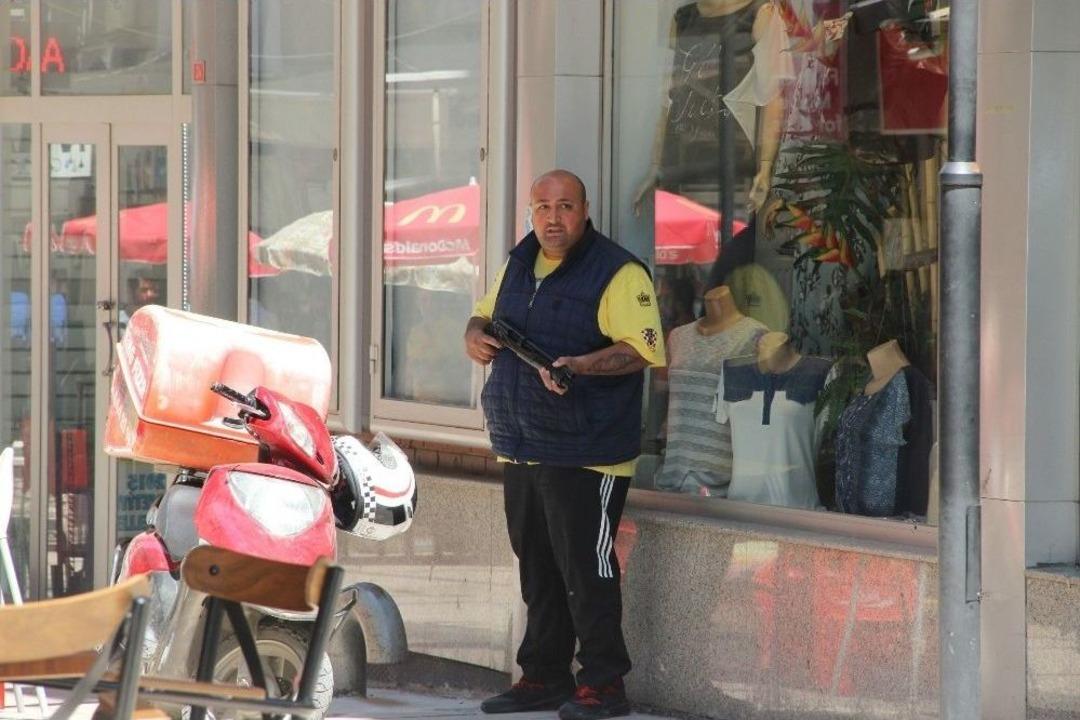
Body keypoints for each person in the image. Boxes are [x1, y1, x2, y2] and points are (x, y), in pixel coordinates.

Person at [464, 170, 666, 720]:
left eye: (565, 207)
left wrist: (581, 365)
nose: (553, 219)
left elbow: (642, 351)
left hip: (587, 450)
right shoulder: (517, 263)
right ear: (531, 211)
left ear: (584, 210)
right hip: (522, 443)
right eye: (542, 207)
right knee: (538, 568)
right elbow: (484, 313)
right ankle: (543, 677)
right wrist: (473, 332)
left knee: (587, 571)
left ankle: (604, 685)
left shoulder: (619, 271)